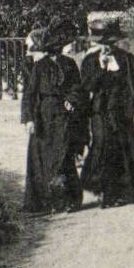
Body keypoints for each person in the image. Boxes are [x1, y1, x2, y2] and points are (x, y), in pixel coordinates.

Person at [79, 12, 134, 209]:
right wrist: (101, 68)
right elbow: (87, 86)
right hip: (100, 112)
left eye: (109, 41)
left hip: (122, 111)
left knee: (124, 147)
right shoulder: (90, 61)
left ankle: (125, 192)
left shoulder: (127, 60)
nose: (106, 46)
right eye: (102, 42)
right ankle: (106, 193)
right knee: (103, 146)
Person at [20, 25, 85, 214]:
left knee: (63, 157)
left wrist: (72, 101)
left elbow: (76, 87)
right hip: (44, 116)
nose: (55, 51)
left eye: (57, 47)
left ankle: (70, 200)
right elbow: (29, 94)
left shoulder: (69, 64)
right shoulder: (40, 66)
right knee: (41, 158)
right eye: (52, 47)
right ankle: (44, 202)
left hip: (64, 116)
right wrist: (29, 119)